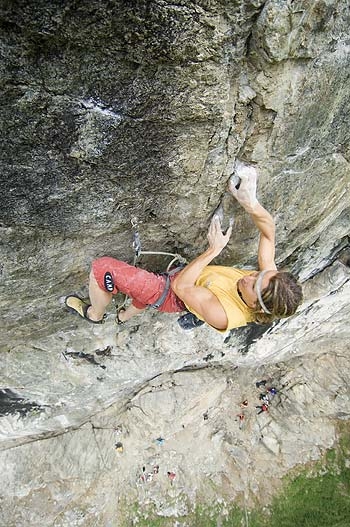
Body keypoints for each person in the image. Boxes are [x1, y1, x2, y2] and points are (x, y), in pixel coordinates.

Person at [65, 163, 303, 332]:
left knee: (103, 268)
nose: (251, 275)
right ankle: (124, 316)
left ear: (253, 304)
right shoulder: (267, 284)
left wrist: (213, 250)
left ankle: (94, 315)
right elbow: (268, 235)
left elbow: (180, 286)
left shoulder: (223, 315)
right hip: (194, 282)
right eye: (260, 273)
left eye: (254, 284)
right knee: (141, 294)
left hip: (174, 293)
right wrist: (251, 204)